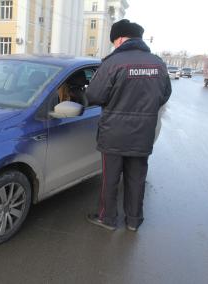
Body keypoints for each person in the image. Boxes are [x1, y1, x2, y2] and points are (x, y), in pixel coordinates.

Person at [85, 19, 172, 231]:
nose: (114, 45)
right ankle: (133, 221)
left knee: (111, 179)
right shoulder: (158, 63)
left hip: (114, 133)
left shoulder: (112, 63)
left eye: (115, 41)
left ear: (121, 38)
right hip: (143, 133)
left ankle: (107, 219)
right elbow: (165, 94)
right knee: (136, 179)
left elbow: (94, 95)